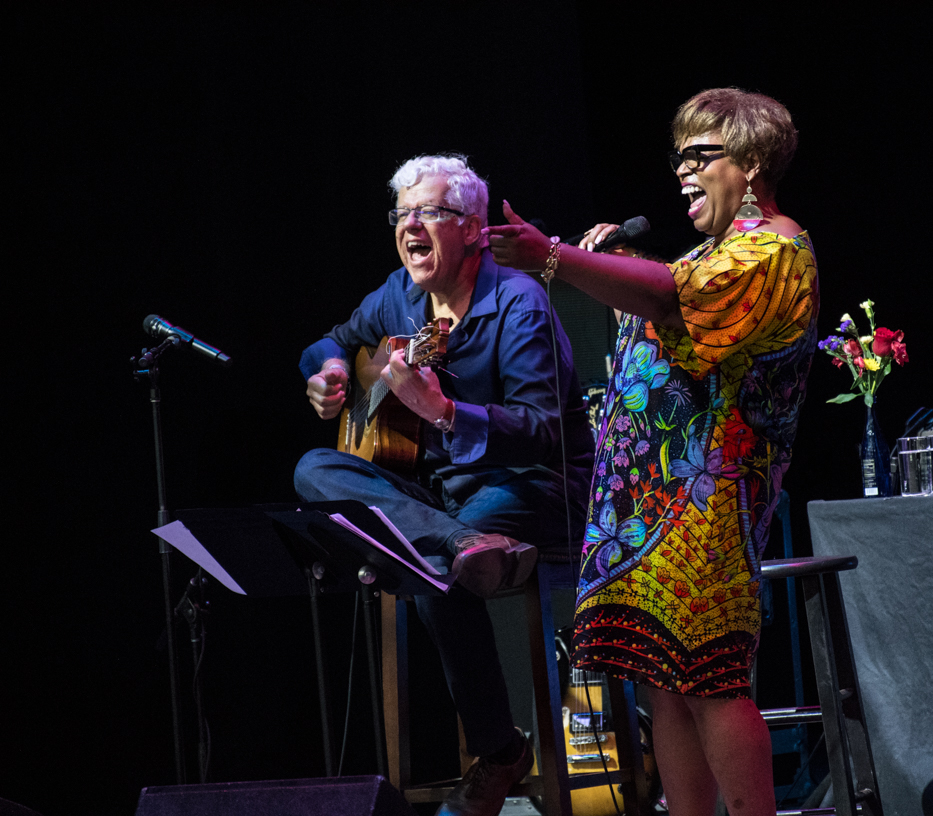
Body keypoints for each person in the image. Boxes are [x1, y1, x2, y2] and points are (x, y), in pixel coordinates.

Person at [486, 88, 818, 816]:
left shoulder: (776, 250)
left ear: (754, 160)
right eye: (679, 157)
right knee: (661, 680)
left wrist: (557, 258)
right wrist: (613, 273)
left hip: (704, 508)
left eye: (701, 154)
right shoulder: (712, 252)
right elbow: (673, 319)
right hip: (649, 508)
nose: (682, 171)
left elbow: (674, 301)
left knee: (710, 679)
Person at [294, 154, 594, 816]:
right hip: (446, 504)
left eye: (431, 212)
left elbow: (543, 431)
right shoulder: (397, 295)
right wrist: (335, 371)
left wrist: (443, 411)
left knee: (423, 562)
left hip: (532, 489)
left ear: (474, 228)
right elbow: (327, 341)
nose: (412, 227)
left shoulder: (518, 301)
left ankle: (499, 752)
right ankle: (459, 543)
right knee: (313, 468)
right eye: (403, 214)